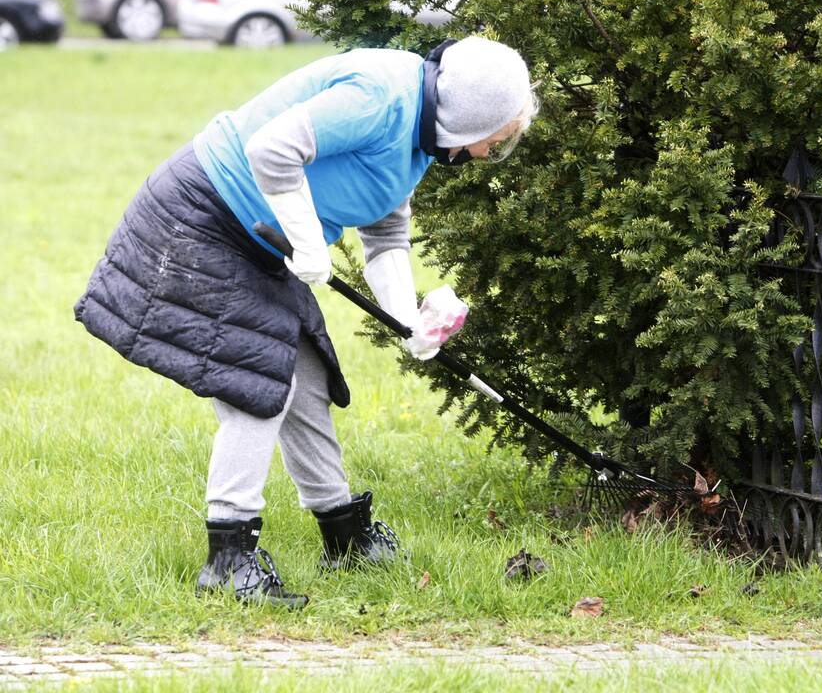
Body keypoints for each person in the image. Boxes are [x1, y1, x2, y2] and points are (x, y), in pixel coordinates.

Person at [74, 37, 537, 609]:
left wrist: (407, 321)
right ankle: (229, 561)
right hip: (203, 220)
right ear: (471, 119)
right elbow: (272, 149)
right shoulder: (382, 98)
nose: (495, 150)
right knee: (258, 382)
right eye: (498, 138)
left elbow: (386, 235)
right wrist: (304, 235)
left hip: (261, 238)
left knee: (307, 378)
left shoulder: (419, 139)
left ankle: (345, 537)